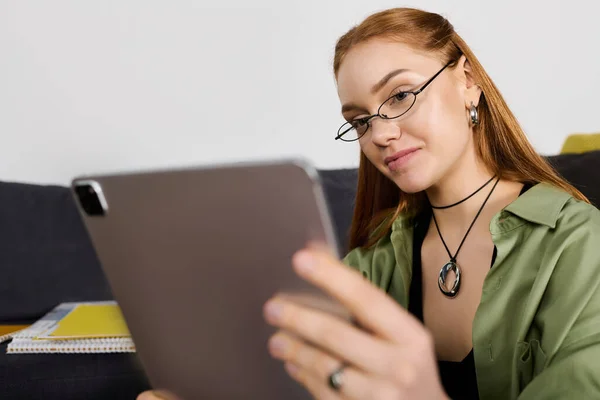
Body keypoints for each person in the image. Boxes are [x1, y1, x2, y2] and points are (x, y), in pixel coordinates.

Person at [139, 7, 600, 400]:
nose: (379, 134)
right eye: (359, 120)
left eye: (400, 96)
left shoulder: (579, 243)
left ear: (468, 82)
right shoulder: (374, 262)